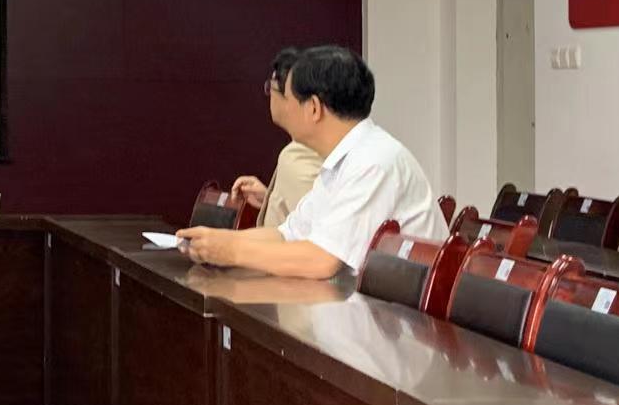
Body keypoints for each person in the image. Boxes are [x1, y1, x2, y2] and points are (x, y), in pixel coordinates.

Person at [176, 45, 447, 279]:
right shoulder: (342, 161)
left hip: (400, 320)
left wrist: (232, 251)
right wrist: (214, 240)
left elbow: (322, 260)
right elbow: (288, 234)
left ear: (314, 108)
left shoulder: (374, 161)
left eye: (288, 97)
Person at [230, 47, 322, 229]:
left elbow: (312, 230)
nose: (270, 96)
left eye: (270, 88)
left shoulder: (298, 155)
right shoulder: (305, 149)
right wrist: (271, 198)